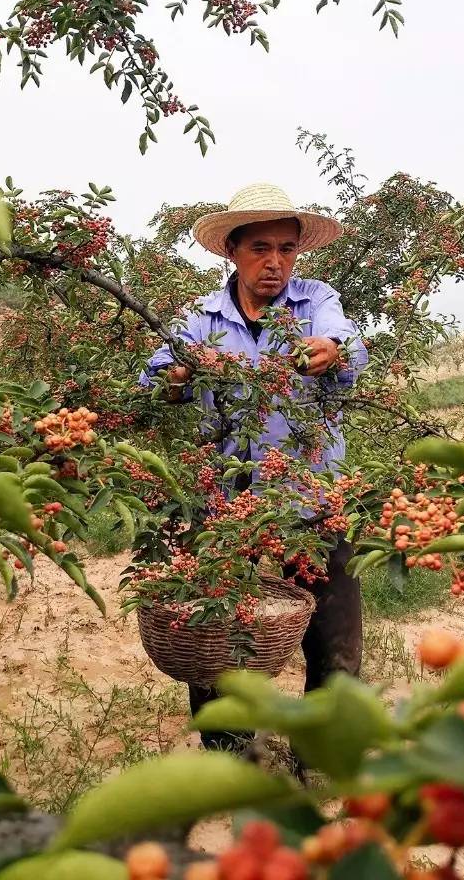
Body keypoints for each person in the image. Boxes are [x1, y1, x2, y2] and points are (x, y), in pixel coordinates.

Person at [140, 183, 369, 754]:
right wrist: (187, 373)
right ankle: (229, 750)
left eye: (287, 249)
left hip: (309, 494)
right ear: (232, 252)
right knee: (219, 625)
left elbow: (345, 346)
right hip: (226, 496)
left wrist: (330, 354)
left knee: (332, 632)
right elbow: (155, 379)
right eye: (260, 248)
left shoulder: (317, 301)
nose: (275, 262)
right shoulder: (201, 317)